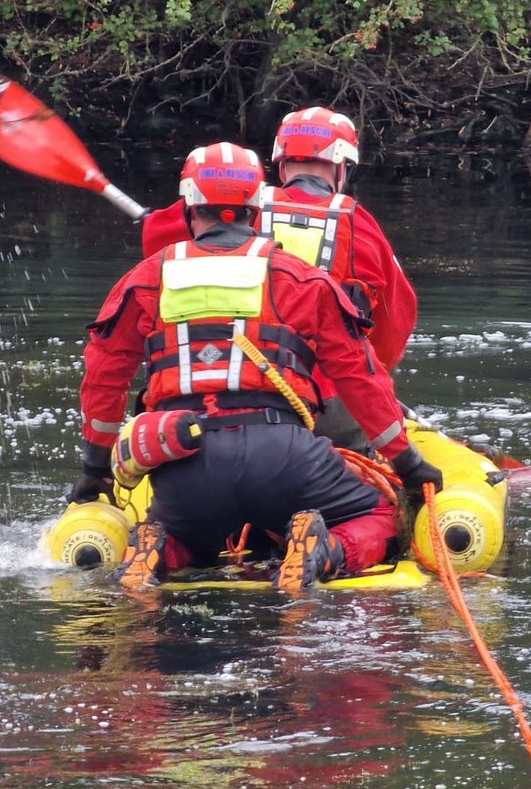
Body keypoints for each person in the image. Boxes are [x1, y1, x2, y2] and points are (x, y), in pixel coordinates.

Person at [71, 142, 441, 594]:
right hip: (283, 456)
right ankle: (325, 553)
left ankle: (161, 549)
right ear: (256, 207)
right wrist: (407, 463)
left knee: (191, 537)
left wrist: (96, 467)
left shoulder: (145, 278)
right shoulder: (301, 279)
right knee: (378, 515)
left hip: (186, 464)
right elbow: (360, 376)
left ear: (189, 205)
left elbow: (104, 375)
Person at [140, 106, 416, 372]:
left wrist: (154, 220)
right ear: (342, 167)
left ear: (281, 166)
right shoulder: (360, 225)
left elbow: (157, 242)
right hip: (323, 388)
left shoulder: (240, 204)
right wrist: (372, 375)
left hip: (221, 369)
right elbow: (395, 323)